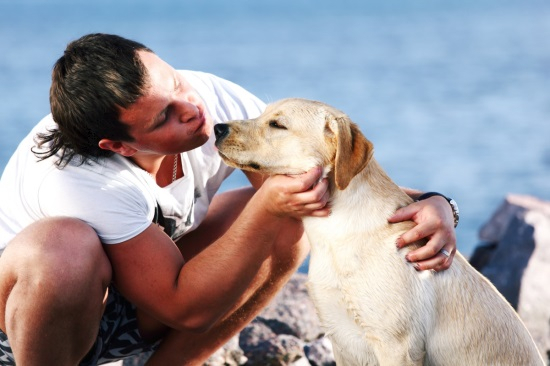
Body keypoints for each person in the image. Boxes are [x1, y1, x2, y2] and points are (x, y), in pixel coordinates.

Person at [0, 33, 458, 365]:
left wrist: (435, 204)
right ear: (118, 145)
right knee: (62, 248)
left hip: (133, 303)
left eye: (175, 81)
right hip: (30, 329)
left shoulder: (208, 99)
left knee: (290, 213)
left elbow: (323, 184)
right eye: (164, 116)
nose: (192, 107)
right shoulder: (78, 180)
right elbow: (185, 309)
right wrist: (265, 206)